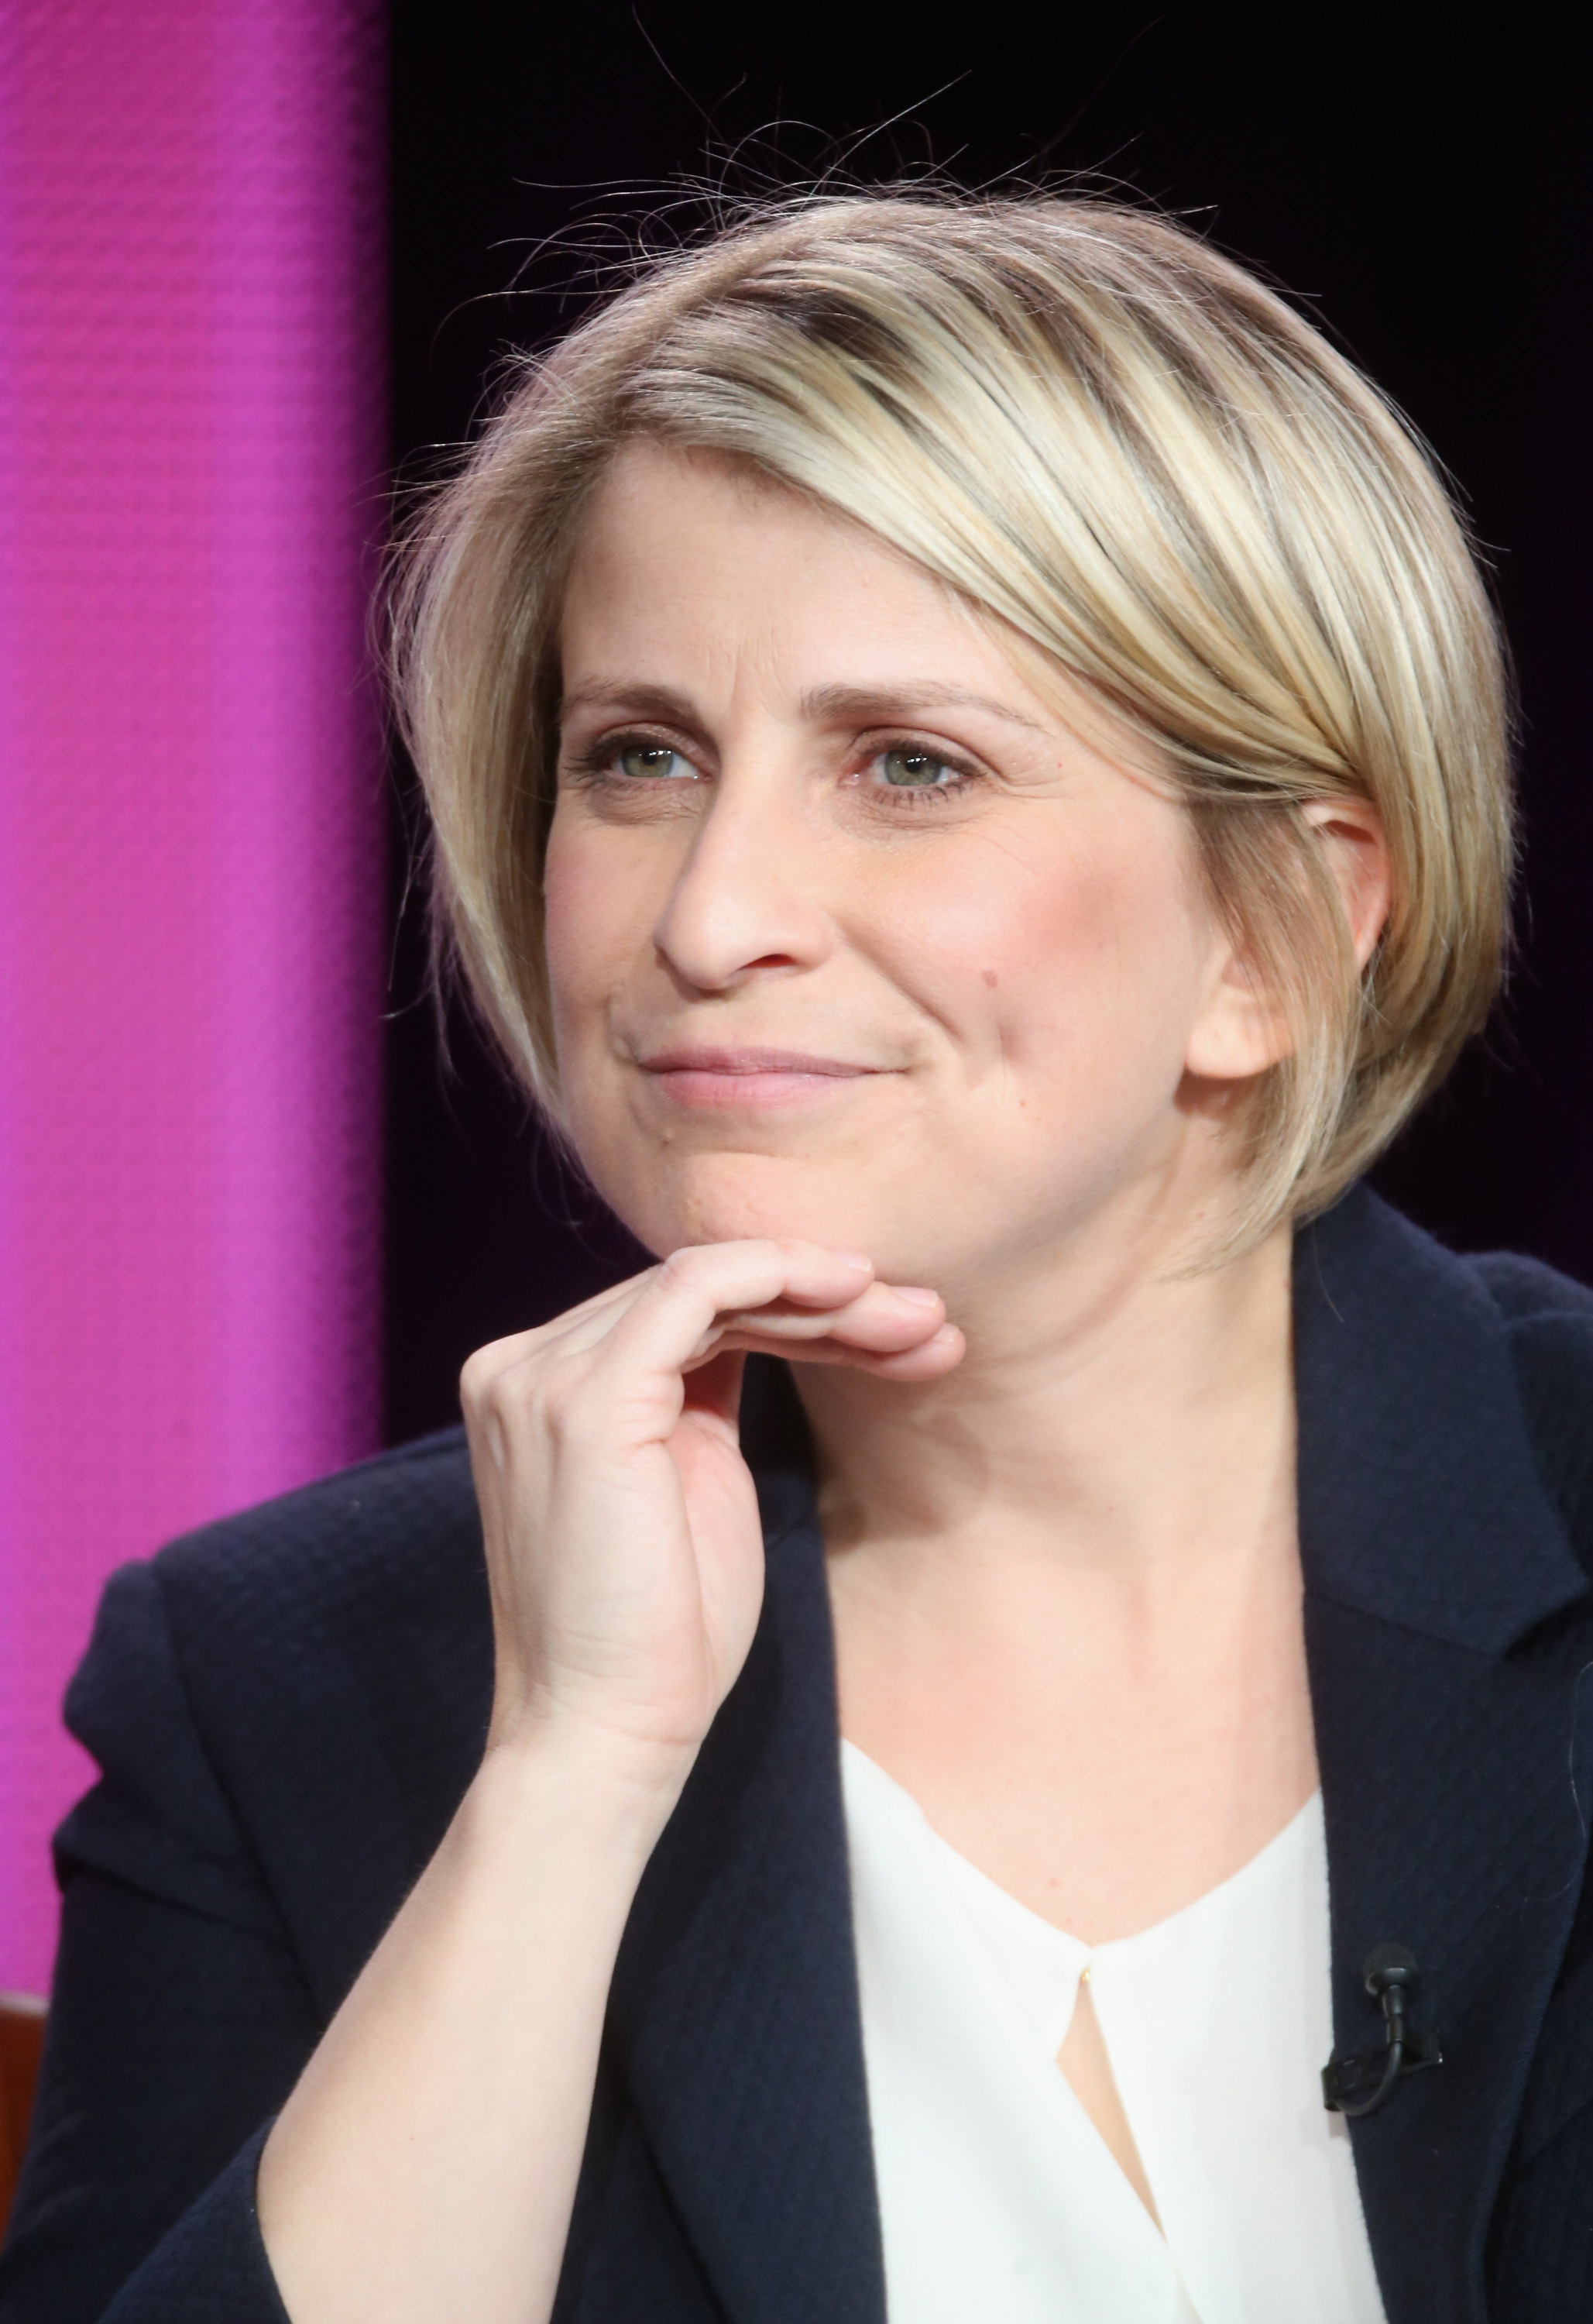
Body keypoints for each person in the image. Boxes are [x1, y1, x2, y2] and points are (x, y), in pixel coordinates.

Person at [2, 191, 1591, 2324]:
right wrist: (562, 1784)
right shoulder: (283, 1682)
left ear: (1277, 931)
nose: (705, 911)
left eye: (907, 766)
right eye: (637, 757)